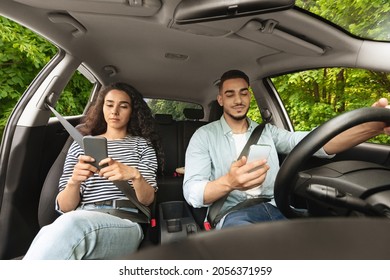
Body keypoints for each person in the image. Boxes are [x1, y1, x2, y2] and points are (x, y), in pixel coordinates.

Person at [183, 69, 390, 230]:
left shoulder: (268, 131)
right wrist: (229, 182)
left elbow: (314, 142)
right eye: (230, 94)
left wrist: (368, 127)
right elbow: (192, 191)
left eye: (243, 93)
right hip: (233, 215)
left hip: (277, 207)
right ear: (221, 100)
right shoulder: (204, 136)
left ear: (249, 96)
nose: (238, 100)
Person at [24, 82, 162, 259]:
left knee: (70, 227)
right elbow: (65, 207)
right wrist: (74, 181)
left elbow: (148, 199)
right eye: (109, 104)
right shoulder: (80, 145)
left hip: (125, 220)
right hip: (80, 215)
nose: (114, 111)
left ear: (132, 111)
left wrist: (134, 176)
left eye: (123, 106)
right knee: (51, 231)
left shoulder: (142, 145)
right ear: (102, 107)